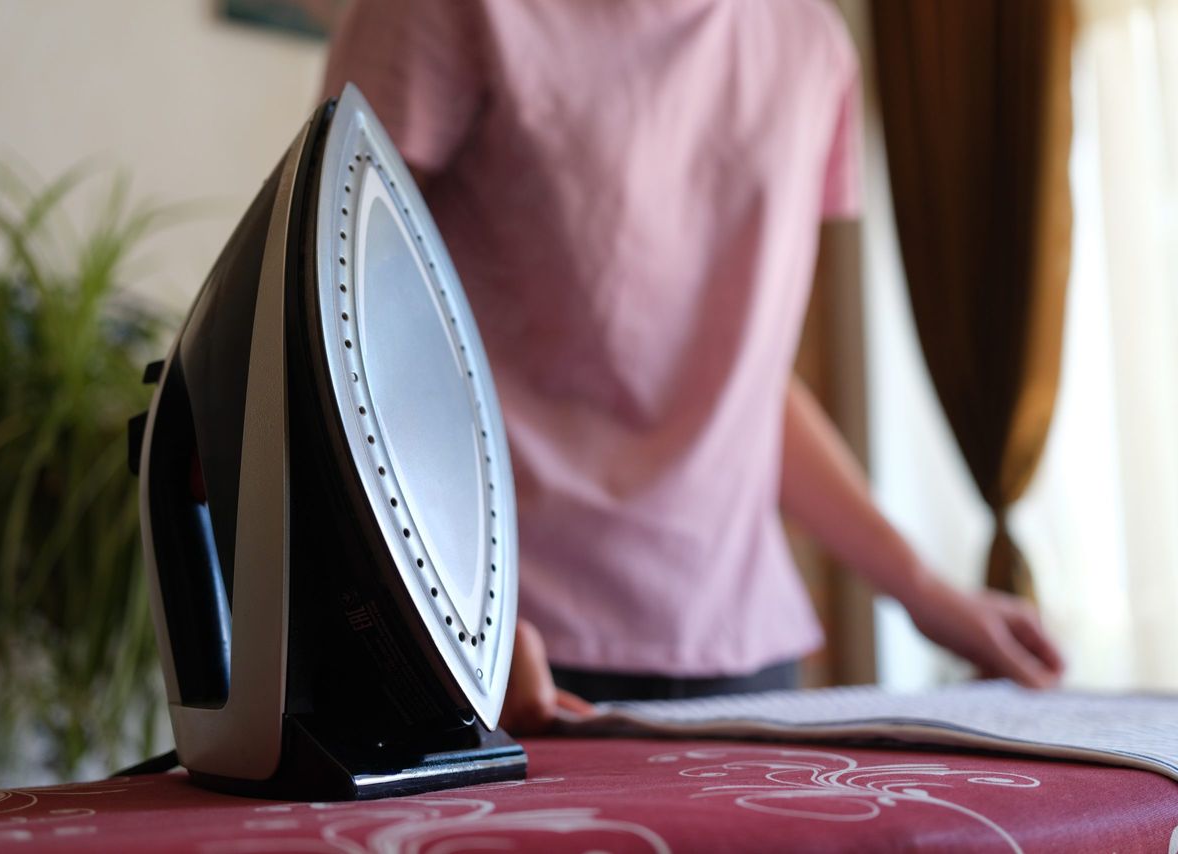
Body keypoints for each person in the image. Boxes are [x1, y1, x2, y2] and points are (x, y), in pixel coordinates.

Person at [323, 0, 1065, 732]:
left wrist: (926, 591)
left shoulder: (812, 43)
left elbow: (745, 385)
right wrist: (442, 606)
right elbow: (330, 319)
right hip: (504, 636)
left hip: (740, 644)